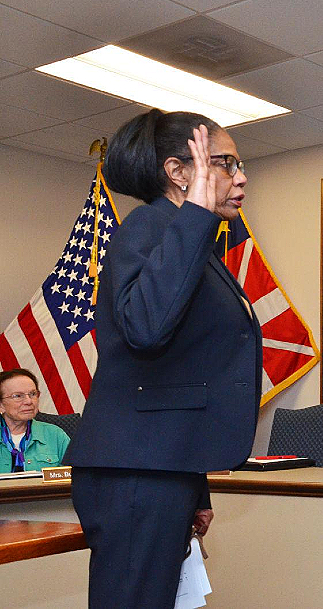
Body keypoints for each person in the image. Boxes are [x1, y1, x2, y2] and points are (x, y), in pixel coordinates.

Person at [63, 109, 262, 609]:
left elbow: (180, 376)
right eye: (226, 163)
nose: (241, 177)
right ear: (180, 173)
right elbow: (147, 328)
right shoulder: (149, 227)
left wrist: (197, 490)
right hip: (135, 472)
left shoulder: (187, 239)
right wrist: (196, 212)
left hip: (162, 467)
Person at [0, 368, 70, 471]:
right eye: (18, 396)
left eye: (33, 394)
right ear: (1, 404)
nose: (29, 401)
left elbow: (76, 478)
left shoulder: (55, 435)